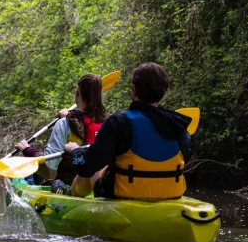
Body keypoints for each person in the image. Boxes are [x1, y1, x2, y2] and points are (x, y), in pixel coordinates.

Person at [58, 62, 191, 199]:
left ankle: (68, 195)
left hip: (125, 195)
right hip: (171, 195)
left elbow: (86, 166)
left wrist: (75, 150)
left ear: (133, 89)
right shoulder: (179, 125)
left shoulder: (119, 123)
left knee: (94, 167)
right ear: (162, 93)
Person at [14, 74, 107, 185]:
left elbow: (51, 163)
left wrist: (27, 150)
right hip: (102, 183)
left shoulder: (64, 124)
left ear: (77, 91)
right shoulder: (110, 122)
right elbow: (85, 122)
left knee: (30, 173)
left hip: (71, 187)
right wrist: (69, 116)